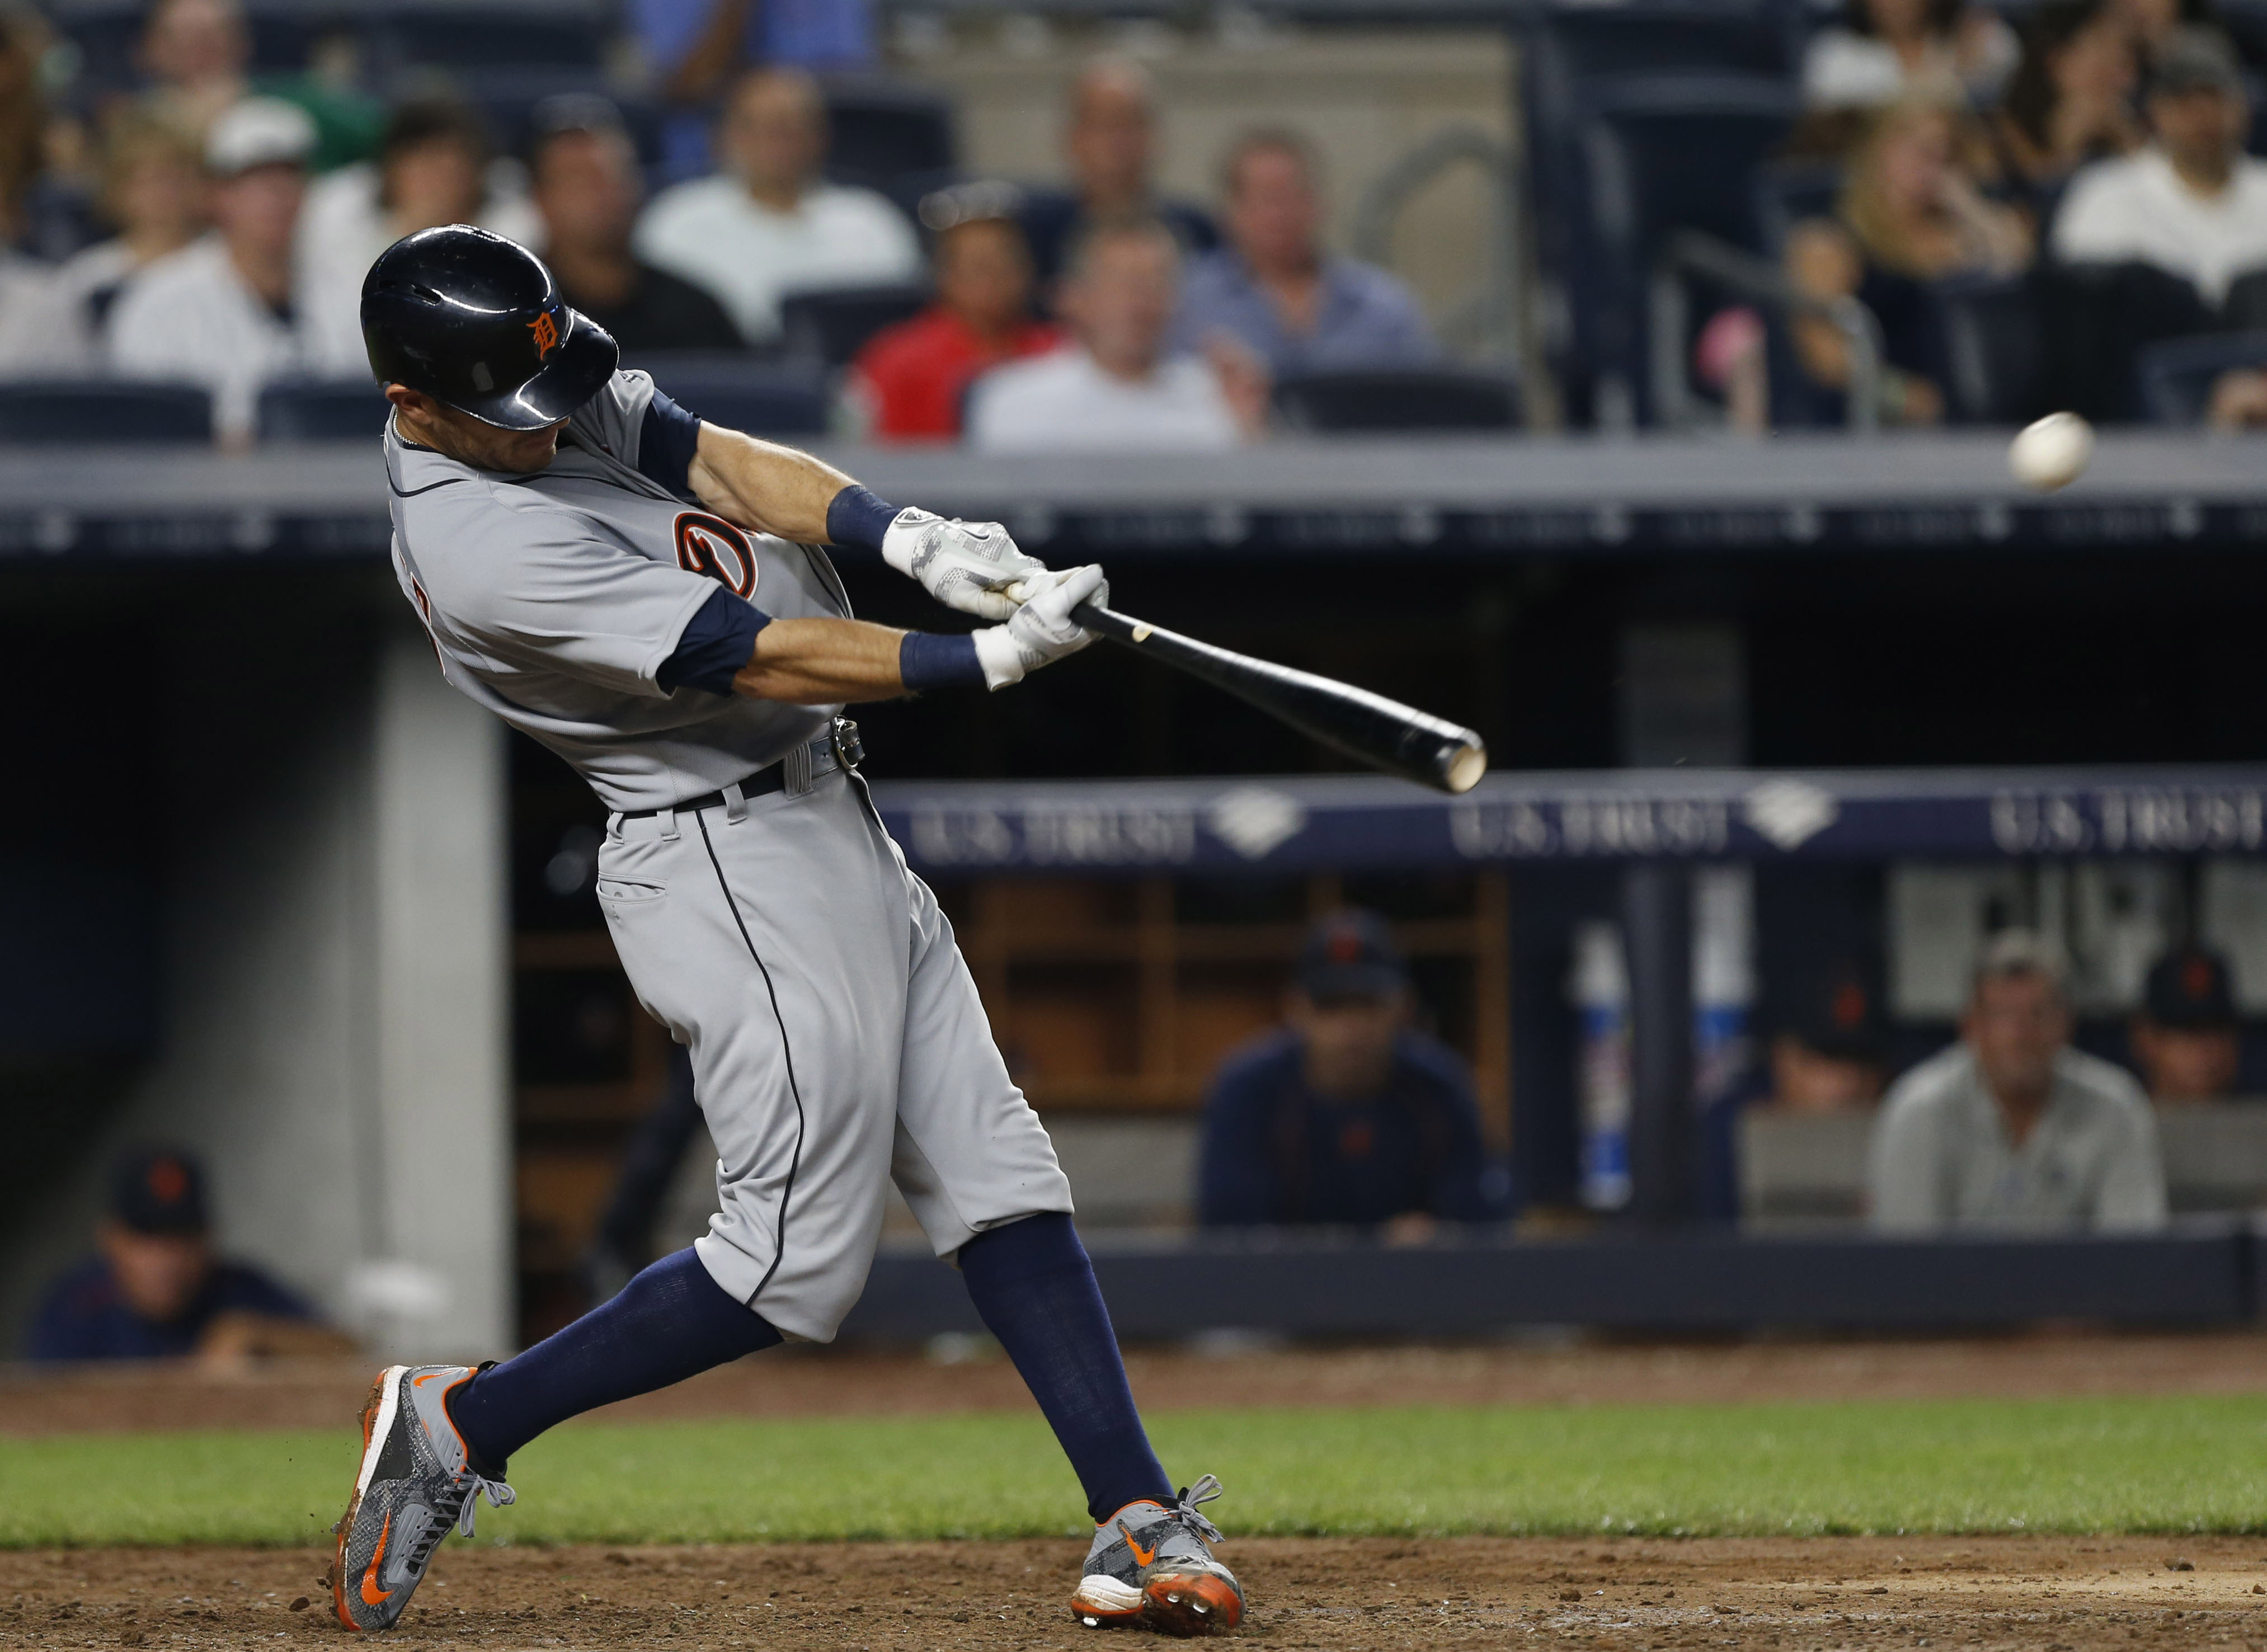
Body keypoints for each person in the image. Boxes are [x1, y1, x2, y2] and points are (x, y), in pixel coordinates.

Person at [331, 224, 1243, 1637]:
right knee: (784, 1266)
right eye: (509, 411)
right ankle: (464, 1419)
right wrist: (978, 655)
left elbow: (720, 461)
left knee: (995, 1165)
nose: (550, 419)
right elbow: (752, 649)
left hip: (826, 811)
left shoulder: (533, 387)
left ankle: (1133, 1509)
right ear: (413, 406)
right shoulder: (474, 543)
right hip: (724, 856)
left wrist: (916, 541)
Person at [1197, 911, 1502, 1236]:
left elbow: (1487, 1225)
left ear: (1403, 1006)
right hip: (1285, 1285)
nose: (1351, 1027)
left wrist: (1441, 1236)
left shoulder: (1440, 1086)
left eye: (1367, 1004)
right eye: (1331, 1006)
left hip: (1412, 1284)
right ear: (1295, 1009)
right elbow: (1231, 1235)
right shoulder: (1248, 1088)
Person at [1867, 930, 2167, 1232]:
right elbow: (1906, 1261)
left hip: (2084, 1281)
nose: (2020, 1035)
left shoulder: (2115, 1108)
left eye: (2038, 1014)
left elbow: (2134, 1254)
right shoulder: (1918, 1111)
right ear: (1971, 1026)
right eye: (2003, 1015)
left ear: (2066, 1024)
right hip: (1950, 1281)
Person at [633, 67, 922, 348]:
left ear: (821, 136)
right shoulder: (675, 222)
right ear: (722, 137)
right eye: (757, 126)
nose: (776, 140)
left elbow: (904, 339)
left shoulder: (873, 223)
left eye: (791, 126)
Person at [1785, 98, 2033, 425]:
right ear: (1878, 151)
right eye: (1918, 150)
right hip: (1885, 421)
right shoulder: (1830, 242)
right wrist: (1906, 399)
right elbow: (1827, 358)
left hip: (1979, 413)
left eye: (1945, 155)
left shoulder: (1959, 235)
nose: (1931, 166)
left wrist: (1970, 205)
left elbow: (2019, 273)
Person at [105, 96, 322, 444]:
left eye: (288, 180)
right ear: (218, 195)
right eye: (255, 182)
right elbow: (138, 437)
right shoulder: (156, 300)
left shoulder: (353, 297)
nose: (276, 197)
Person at [25, 1147, 354, 1366]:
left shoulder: (237, 1291)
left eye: (182, 1238)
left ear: (208, 1241)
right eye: (148, 1238)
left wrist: (260, 1336)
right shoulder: (78, 1306)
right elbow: (38, 1403)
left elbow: (352, 1351)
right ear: (112, 1239)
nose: (166, 1261)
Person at [966, 217, 1268, 453]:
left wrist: (1248, 429)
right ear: (1074, 298)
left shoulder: (1219, 395)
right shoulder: (1014, 401)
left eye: (1157, 282)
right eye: (1123, 283)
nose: (1142, 299)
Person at [299, 96, 541, 375]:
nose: (437, 179)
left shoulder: (515, 236)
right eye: (421, 159)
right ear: (391, 171)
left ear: (477, 175)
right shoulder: (340, 230)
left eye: (451, 161)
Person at [1172, 129, 1435, 379]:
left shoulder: (1382, 304)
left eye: (1292, 196)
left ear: (1319, 202)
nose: (1280, 215)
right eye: (1265, 199)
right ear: (1229, 212)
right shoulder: (1188, 304)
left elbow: (1428, 404)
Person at [2053, 27, 2267, 307]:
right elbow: (2085, 311)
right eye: (2185, 101)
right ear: (2156, 110)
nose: (2203, 115)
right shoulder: (2105, 193)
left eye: (2215, 97)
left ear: (2242, 107)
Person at [526, 96, 744, 356]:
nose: (605, 192)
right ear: (541, 200)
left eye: (618, 175)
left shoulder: (696, 310)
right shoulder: (518, 314)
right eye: (580, 180)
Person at [4, 110, 206, 375]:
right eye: (146, 182)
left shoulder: (225, 264)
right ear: (117, 190)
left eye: (175, 180)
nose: (162, 196)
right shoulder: (89, 276)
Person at [846, 197, 1060, 440]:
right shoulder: (896, 360)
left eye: (1009, 264)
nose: (998, 279)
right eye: (982, 267)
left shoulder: (1058, 352)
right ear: (945, 277)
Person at [1700, 967, 1888, 1221]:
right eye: (1827, 1061)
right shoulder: (1729, 1133)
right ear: (1784, 1060)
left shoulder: (1897, 1132)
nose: (1850, 1081)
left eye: (1863, 1063)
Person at [1015, 57, 1218, 290]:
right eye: (1103, 124)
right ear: (1072, 138)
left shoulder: (1198, 231)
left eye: (1131, 123)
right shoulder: (1033, 235)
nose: (1118, 141)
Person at [134, 0, 379, 171]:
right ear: (152, 48)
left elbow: (387, 137)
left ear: (241, 42)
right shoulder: (134, 123)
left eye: (214, 35)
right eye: (185, 38)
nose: (201, 50)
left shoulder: (293, 103)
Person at [1993, 0, 2143, 197]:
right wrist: (2068, 149)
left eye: (2123, 63)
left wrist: (2128, 142)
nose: (2121, 79)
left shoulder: (2128, 128)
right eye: (2103, 60)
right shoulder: (2002, 130)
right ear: (2056, 60)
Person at [1802, 0, 2019, 114]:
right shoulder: (1837, 55)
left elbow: (2004, 53)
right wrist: (1956, 76)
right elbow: (1880, 120)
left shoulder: (1972, 39)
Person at [2130, 942, 2245, 1102]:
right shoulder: (2114, 1123)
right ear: (2145, 1039)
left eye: (2217, 1030)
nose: (2205, 1050)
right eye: (2187, 1031)